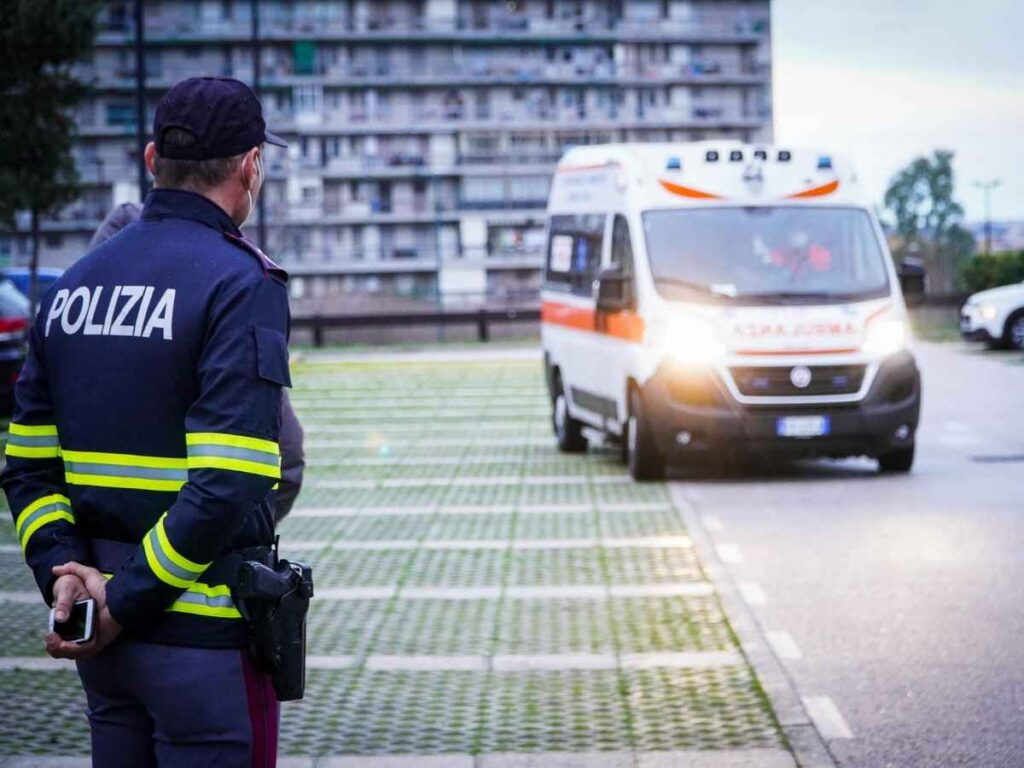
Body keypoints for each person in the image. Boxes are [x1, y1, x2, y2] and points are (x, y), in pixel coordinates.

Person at [1, 77, 292, 767]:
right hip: (204, 643)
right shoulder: (241, 282)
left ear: (153, 158)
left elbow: (28, 467)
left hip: (102, 647)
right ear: (252, 166)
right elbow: (228, 481)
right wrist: (126, 600)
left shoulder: (74, 286)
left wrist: (64, 577)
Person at [90, 202, 305, 522]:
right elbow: (287, 458)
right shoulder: (227, 291)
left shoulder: (71, 316)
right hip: (195, 542)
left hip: (92, 544)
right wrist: (238, 535)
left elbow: (31, 464)